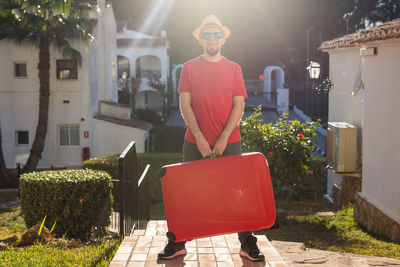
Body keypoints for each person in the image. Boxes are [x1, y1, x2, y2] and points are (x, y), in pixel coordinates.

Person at [157, 14, 265, 262]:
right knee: (185, 192)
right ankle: (177, 243)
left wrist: (224, 136)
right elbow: (185, 105)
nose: (212, 38)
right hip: (195, 142)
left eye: (216, 34)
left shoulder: (234, 69)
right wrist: (200, 137)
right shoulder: (189, 68)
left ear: (223, 38)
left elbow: (239, 105)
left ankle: (247, 244)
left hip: (231, 140)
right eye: (207, 34)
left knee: (239, 193)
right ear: (201, 39)